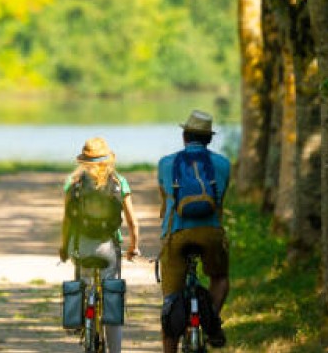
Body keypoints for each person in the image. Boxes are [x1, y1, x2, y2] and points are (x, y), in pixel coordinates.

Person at [57, 136, 141, 353]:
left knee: (83, 283)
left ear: (83, 161)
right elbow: (132, 221)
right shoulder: (119, 182)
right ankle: (115, 350)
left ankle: (81, 319)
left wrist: (64, 248)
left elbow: (67, 220)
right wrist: (134, 246)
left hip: (82, 247)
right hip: (108, 248)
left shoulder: (73, 183)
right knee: (111, 295)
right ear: (108, 160)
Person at [158, 110, 232, 351]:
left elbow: (164, 200)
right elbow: (220, 202)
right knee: (219, 278)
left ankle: (170, 348)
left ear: (184, 136)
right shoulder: (223, 164)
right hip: (210, 234)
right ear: (209, 139)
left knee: (171, 301)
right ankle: (212, 324)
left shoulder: (166, 163)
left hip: (176, 235)